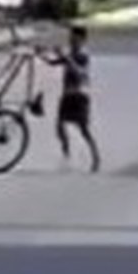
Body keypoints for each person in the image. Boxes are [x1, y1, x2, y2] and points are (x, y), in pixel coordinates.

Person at [45, 26, 100, 173]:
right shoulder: (70, 54)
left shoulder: (83, 55)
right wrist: (41, 54)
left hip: (80, 95)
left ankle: (95, 157)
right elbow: (52, 63)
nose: (71, 41)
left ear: (82, 40)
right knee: (59, 126)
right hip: (67, 95)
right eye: (70, 38)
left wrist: (67, 58)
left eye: (74, 38)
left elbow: (80, 72)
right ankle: (66, 153)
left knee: (83, 129)